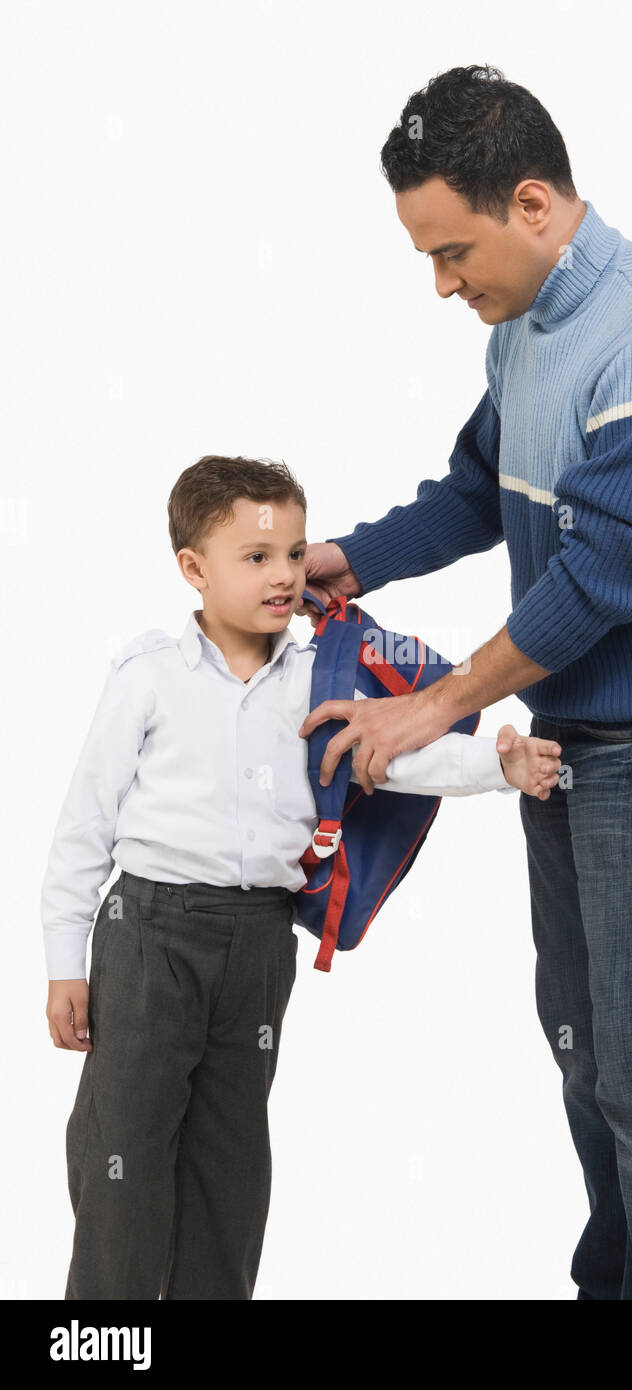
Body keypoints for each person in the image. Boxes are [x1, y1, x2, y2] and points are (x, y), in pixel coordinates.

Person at [298, 66, 632, 1300]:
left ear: (530, 203)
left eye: (452, 253)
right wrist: (346, 558)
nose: (443, 285)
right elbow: (475, 488)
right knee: (582, 1048)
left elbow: (604, 575)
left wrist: (439, 700)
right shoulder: (529, 327)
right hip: (575, 734)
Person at [41, 453, 563, 1301]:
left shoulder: (322, 676)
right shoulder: (149, 677)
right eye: (255, 558)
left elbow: (398, 758)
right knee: (123, 1154)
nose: (283, 575)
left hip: (255, 943)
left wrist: (495, 766)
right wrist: (67, 960)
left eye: (292, 552)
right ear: (193, 570)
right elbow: (83, 830)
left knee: (230, 1161)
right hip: (149, 938)